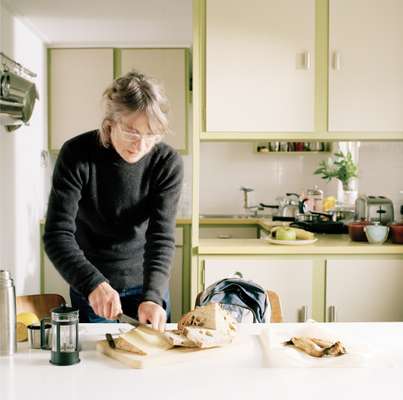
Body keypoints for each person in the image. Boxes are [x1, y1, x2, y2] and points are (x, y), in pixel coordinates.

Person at [43, 70, 184, 331]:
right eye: (131, 132)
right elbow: (57, 234)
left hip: (148, 284)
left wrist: (153, 295)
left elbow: (161, 237)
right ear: (110, 123)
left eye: (151, 135)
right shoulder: (77, 154)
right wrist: (93, 283)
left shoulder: (166, 162)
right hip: (93, 285)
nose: (140, 145)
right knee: (96, 366)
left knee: (154, 362)